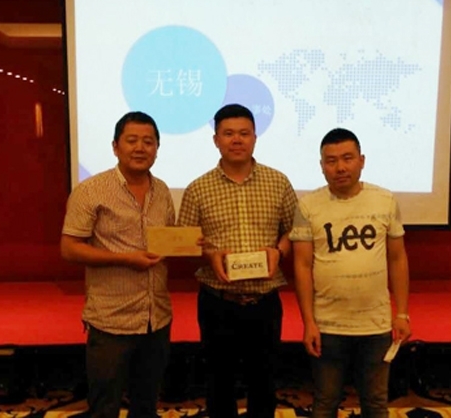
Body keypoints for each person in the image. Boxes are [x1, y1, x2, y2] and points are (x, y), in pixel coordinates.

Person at [177, 103, 297, 418]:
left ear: (255, 137)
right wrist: (209, 255)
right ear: (216, 139)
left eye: (244, 133)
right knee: (219, 385)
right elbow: (186, 244)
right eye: (228, 133)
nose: (237, 140)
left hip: (264, 302)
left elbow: (295, 230)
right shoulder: (197, 189)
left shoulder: (278, 182)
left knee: (264, 383)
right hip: (218, 303)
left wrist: (279, 251)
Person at [289, 128, 411, 418]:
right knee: (325, 403)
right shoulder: (307, 205)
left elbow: (397, 259)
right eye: (331, 161)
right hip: (327, 325)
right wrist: (308, 322)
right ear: (321, 166)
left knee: (376, 404)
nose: (340, 167)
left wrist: (402, 313)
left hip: (376, 325)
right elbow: (302, 266)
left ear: (362, 160)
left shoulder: (385, 200)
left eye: (347, 158)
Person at [60, 111, 174, 418]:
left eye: (148, 142)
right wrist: (124, 259)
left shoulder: (163, 191)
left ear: (157, 148)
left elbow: (165, 242)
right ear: (115, 146)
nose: (140, 148)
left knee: (146, 406)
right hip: (111, 320)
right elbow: (69, 248)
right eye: (131, 140)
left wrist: (187, 244)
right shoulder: (91, 190)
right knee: (104, 408)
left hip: (156, 317)